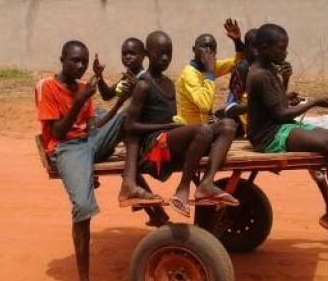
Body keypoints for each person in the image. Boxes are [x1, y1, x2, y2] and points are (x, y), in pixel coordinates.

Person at [246, 24, 328, 248]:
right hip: (269, 136)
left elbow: (279, 105)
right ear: (265, 47)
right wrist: (314, 102)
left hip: (282, 126)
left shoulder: (268, 70)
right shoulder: (260, 75)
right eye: (281, 48)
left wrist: (289, 94)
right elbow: (280, 113)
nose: (285, 53)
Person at [34, 40, 131, 281]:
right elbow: (60, 133)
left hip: (88, 141)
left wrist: (120, 104)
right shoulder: (48, 87)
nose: (80, 66)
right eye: (75, 60)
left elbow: (93, 127)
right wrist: (78, 102)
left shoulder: (84, 89)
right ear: (62, 58)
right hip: (67, 148)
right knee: (83, 207)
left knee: (127, 118)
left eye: (84, 62)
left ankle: (134, 182)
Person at [125, 31, 239, 218]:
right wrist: (167, 128)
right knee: (203, 129)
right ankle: (183, 190)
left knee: (228, 125)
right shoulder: (144, 84)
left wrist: (174, 125)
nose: (164, 58)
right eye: (159, 53)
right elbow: (130, 127)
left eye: (168, 53)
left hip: (169, 137)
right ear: (147, 54)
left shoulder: (168, 82)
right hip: (154, 147)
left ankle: (207, 183)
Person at [222, 28, 328, 142]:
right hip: (268, 128)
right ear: (251, 48)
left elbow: (276, 103)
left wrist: (286, 80)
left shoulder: (267, 68)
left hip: (276, 122)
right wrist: (260, 106)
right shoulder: (243, 69)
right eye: (255, 47)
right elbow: (229, 109)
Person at [91, 39, 168, 225]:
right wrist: (99, 76)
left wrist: (133, 93)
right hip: (125, 130)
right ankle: (156, 214)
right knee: (97, 112)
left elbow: (140, 110)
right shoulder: (129, 75)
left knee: (127, 168)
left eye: (132, 53)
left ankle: (90, 156)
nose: (127, 56)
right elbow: (108, 95)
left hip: (136, 132)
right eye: (124, 53)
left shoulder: (143, 78)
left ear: (144, 56)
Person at [175, 18, 244, 125]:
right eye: (204, 46)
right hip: (191, 127)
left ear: (215, 52)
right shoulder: (189, 74)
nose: (208, 50)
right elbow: (205, 106)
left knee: (233, 119)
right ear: (194, 49)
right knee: (228, 126)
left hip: (206, 123)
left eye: (211, 47)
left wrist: (237, 41)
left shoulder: (210, 66)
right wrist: (210, 72)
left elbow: (238, 63)